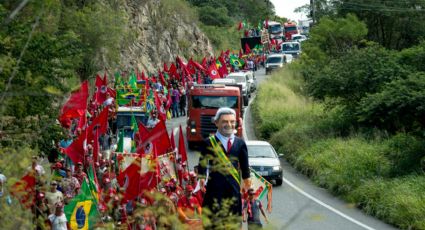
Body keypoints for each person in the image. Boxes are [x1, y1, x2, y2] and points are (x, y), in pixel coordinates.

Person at [197, 107, 251, 225]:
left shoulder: (240, 143)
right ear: (216, 123)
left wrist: (247, 180)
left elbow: (245, 166)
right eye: (225, 121)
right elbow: (202, 163)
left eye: (232, 121)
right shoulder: (209, 142)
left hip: (234, 190)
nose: (229, 124)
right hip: (215, 191)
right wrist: (201, 177)